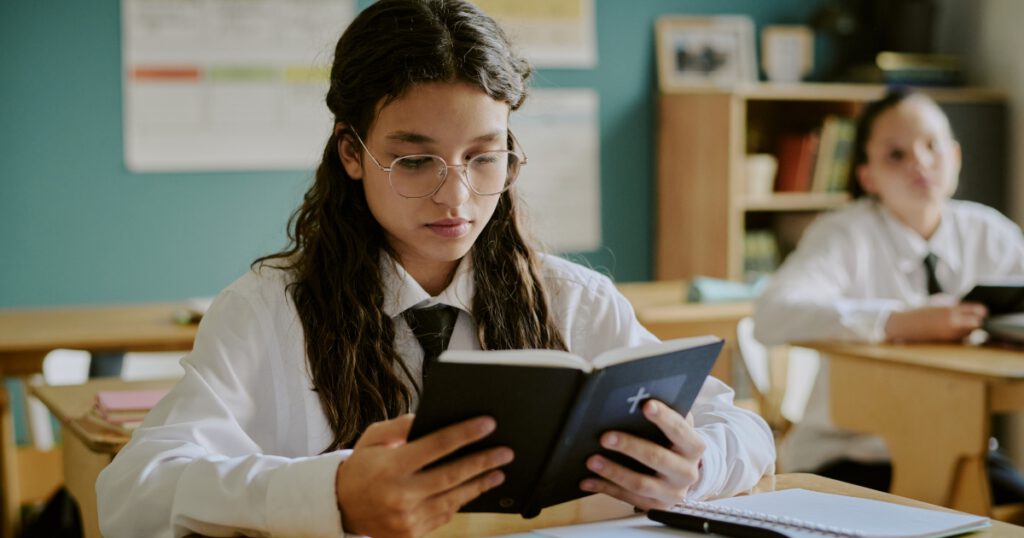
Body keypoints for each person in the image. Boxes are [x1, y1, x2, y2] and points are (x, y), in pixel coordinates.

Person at [96, 1, 775, 536]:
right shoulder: (268, 310)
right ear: (352, 153)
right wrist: (329, 495)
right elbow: (134, 493)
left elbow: (742, 428)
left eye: (485, 157)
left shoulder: (571, 299)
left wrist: (694, 466)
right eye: (415, 159)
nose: (456, 197)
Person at [754, 90, 1024, 500]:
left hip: (964, 448)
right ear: (868, 177)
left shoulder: (992, 234)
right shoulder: (844, 234)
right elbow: (772, 314)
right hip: (849, 453)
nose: (920, 162)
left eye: (932, 146)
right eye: (896, 155)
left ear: (955, 157)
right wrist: (898, 322)